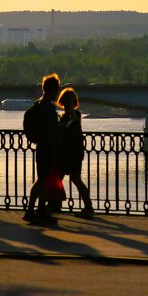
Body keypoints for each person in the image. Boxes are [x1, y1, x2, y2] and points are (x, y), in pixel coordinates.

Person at [23, 73, 62, 225]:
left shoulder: (39, 105)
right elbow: (52, 131)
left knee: (42, 179)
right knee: (42, 180)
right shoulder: (47, 108)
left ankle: (35, 210)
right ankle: (35, 210)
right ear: (53, 90)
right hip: (48, 148)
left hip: (42, 147)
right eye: (57, 89)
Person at [57, 88, 95, 218]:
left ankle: (88, 207)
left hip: (71, 153)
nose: (67, 103)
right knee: (62, 178)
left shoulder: (74, 115)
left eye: (69, 101)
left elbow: (64, 129)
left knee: (73, 178)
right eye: (66, 100)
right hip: (70, 153)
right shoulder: (67, 116)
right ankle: (55, 204)